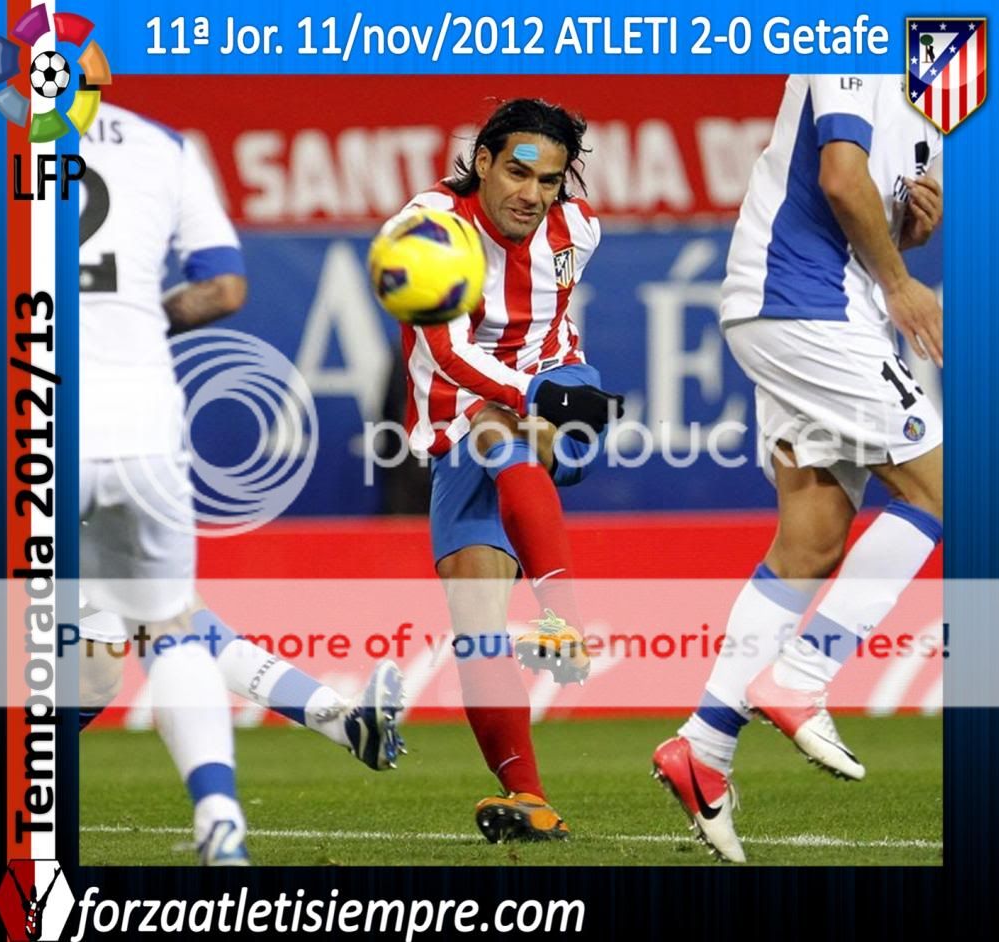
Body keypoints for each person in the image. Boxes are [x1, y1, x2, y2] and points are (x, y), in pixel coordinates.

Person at [77, 102, 404, 866]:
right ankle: (314, 734)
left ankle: (330, 721)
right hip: (144, 419)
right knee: (163, 623)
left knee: (91, 655)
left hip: (45, 420)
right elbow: (223, 287)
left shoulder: (13, 136)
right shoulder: (161, 146)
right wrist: (135, 322)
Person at [652, 75, 944, 863]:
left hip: (803, 308)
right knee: (945, 490)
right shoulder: (851, 31)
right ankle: (801, 676)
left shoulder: (945, 74)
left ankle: (702, 748)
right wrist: (901, 283)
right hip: (806, 304)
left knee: (811, 541)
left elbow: (872, 203)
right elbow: (839, 177)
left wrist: (909, 231)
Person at [395, 98, 623, 842]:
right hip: (460, 418)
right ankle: (528, 798)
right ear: (484, 160)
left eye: (549, 180)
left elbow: (557, 318)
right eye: (519, 172)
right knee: (476, 627)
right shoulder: (430, 228)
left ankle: (565, 621)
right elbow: (449, 353)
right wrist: (533, 389)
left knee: (502, 436)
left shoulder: (577, 230)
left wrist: (566, 381)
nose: (532, 193)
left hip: (538, 409)